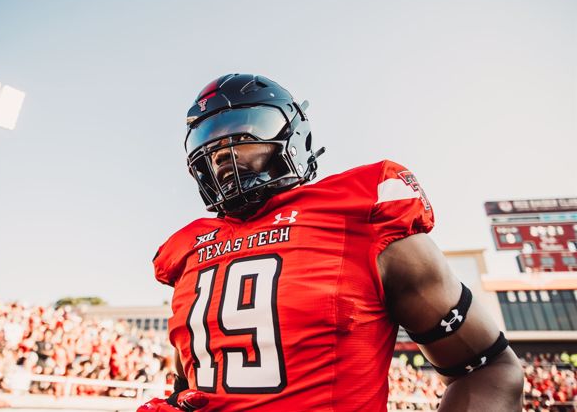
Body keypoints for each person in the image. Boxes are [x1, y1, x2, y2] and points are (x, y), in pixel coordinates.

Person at [139, 74, 524, 411]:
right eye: (209, 139)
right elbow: (187, 386)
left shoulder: (362, 214)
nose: (221, 151)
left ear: (290, 136)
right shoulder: (188, 249)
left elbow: (488, 369)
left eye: (241, 132)